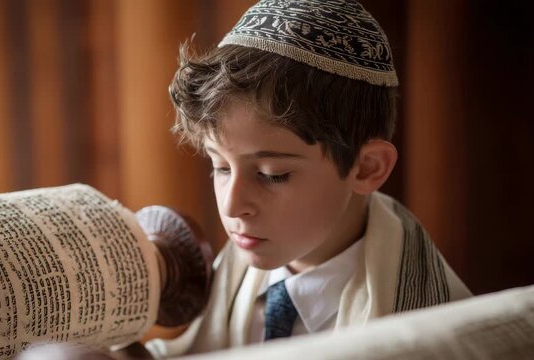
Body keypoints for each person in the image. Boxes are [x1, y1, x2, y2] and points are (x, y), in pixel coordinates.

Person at [145, 0, 471, 357]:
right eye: (220, 167)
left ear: (367, 168)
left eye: (273, 175)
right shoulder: (232, 278)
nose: (232, 205)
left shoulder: (431, 326)